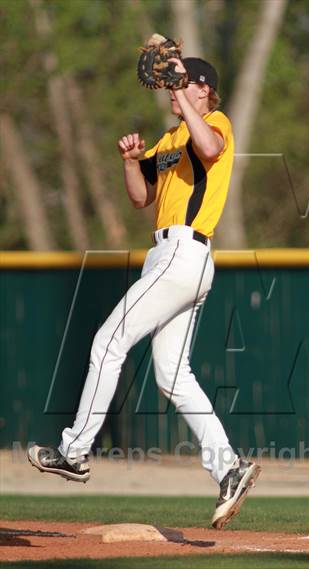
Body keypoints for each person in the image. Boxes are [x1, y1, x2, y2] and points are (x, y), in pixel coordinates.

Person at [28, 57, 261, 529]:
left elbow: (211, 148)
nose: (174, 93)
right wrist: (131, 162)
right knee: (174, 376)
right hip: (168, 256)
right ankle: (230, 467)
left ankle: (74, 452)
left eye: (183, 85)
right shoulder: (170, 141)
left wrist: (184, 96)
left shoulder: (215, 121)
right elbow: (141, 198)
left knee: (107, 342)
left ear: (204, 91)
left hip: (185, 252)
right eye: (173, 86)